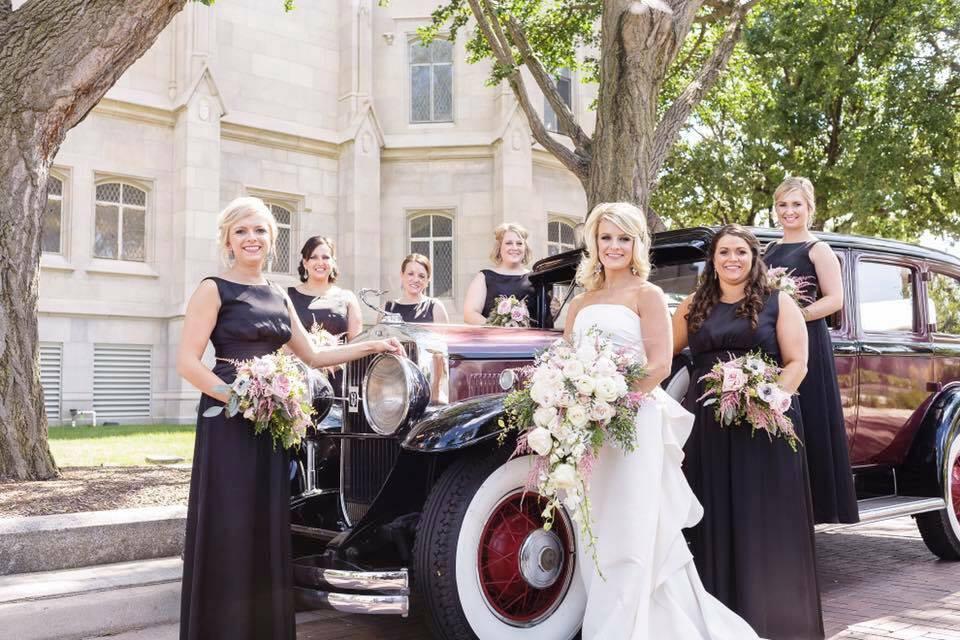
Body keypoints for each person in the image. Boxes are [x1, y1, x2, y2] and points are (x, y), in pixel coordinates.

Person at [176, 197, 401, 640]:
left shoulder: (278, 294)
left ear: (272, 239)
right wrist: (238, 398)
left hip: (271, 423)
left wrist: (372, 345)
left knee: (264, 522)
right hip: (228, 421)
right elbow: (187, 361)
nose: (252, 238)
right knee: (230, 519)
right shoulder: (213, 289)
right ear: (227, 240)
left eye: (260, 230)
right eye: (241, 231)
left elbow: (313, 355)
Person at [564, 204, 760, 640]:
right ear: (594, 243)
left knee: (632, 527)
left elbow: (658, 365)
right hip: (588, 429)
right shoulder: (580, 302)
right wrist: (570, 402)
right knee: (594, 527)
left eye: (624, 238)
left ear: (637, 244)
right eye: (606, 237)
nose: (614, 246)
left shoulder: (647, 294)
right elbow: (565, 359)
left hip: (633, 423)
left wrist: (610, 400)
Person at [673, 224, 824, 639]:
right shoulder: (692, 305)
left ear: (754, 258)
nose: (732, 259)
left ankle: (776, 622)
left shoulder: (779, 302)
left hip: (764, 425)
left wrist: (765, 398)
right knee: (712, 516)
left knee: (764, 519)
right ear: (713, 259)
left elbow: (797, 363)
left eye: (740, 251)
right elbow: (662, 353)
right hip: (708, 426)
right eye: (724, 252)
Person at [764, 176, 858, 524]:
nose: (789, 211)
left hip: (808, 339)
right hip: (772, 341)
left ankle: (816, 507)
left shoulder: (818, 249)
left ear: (809, 208)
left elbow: (835, 299)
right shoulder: (768, 250)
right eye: (782, 205)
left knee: (810, 415)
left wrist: (794, 316)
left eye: (796, 204)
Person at [288, 235, 362, 342]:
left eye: (325, 257)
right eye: (314, 257)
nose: (320, 262)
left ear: (333, 262)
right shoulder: (287, 297)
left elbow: (357, 344)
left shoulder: (348, 298)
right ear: (305, 263)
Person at [462, 222, 536, 325]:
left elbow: (543, 319)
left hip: (530, 335)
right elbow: (470, 314)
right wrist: (499, 328)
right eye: (509, 243)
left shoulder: (536, 278)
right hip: (493, 335)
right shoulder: (484, 277)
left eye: (519, 243)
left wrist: (553, 311)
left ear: (525, 248)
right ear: (499, 246)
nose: (515, 247)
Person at [382, 253, 449, 323]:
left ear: (427, 279)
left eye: (421, 276)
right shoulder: (386, 308)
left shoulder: (436, 307)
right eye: (410, 274)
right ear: (402, 274)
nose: (416, 280)